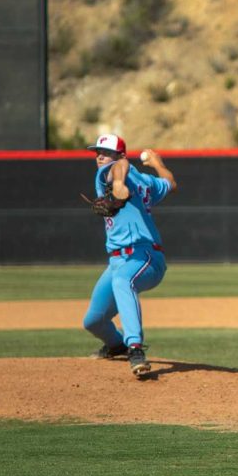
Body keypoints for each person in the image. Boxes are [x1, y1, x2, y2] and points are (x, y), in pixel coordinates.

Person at [81, 134, 177, 379]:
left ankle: (134, 348)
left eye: (105, 151)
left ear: (120, 155)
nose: (100, 156)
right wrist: (157, 164)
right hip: (117, 262)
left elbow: (121, 167)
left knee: (124, 281)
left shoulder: (115, 171)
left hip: (144, 256)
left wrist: (120, 184)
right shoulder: (142, 181)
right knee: (93, 321)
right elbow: (169, 182)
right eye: (97, 152)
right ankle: (117, 345)